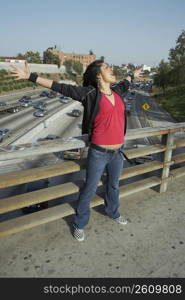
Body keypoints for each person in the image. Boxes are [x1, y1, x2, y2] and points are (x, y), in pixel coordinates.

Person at [10, 60, 142, 241]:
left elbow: (126, 81)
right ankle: (79, 223)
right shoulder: (90, 94)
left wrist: (132, 75)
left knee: (113, 185)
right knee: (89, 189)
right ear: (98, 75)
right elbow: (61, 87)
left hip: (118, 152)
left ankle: (113, 212)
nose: (111, 69)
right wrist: (30, 76)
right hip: (99, 152)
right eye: (106, 68)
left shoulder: (117, 92)